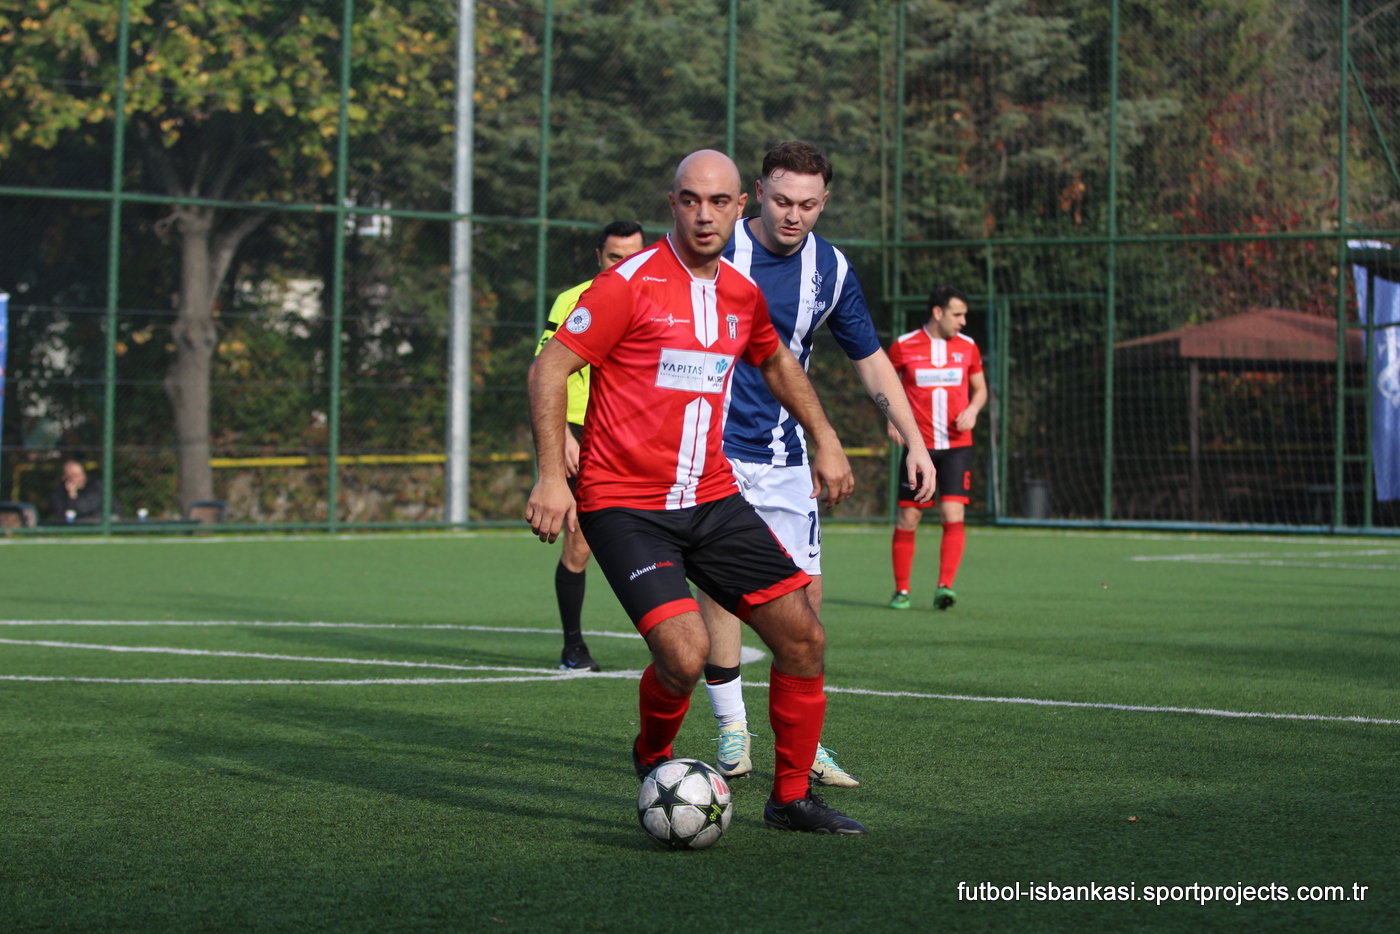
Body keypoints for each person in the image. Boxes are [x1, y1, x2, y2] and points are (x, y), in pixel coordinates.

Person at [527, 149, 868, 834]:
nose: (704, 215)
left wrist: (825, 435)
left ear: (740, 206)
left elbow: (775, 360)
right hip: (626, 504)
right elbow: (549, 369)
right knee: (683, 656)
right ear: (673, 204)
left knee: (803, 638)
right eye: (690, 200)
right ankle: (653, 758)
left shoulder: (742, 293)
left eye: (718, 202)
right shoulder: (628, 284)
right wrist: (551, 477)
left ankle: (790, 799)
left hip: (712, 499)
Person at [699, 141, 936, 786]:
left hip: (785, 457)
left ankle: (803, 745)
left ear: (824, 202)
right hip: (711, 452)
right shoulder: (713, 247)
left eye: (806, 204)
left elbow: (870, 358)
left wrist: (913, 438)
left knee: (805, 603)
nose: (792, 214)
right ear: (756, 194)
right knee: (722, 587)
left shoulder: (829, 269)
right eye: (781, 200)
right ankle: (732, 727)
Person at [535, 220, 646, 672]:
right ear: (598, 257)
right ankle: (574, 647)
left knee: (659, 534)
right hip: (583, 432)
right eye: (614, 257)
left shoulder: (662, 297)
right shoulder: (573, 300)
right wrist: (562, 434)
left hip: (639, 436)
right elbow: (546, 370)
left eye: (632, 256)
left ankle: (676, 634)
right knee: (580, 545)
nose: (623, 265)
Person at [887, 285, 988, 610]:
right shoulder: (904, 345)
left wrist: (973, 410)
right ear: (937, 312)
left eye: (964, 315)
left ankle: (945, 587)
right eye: (957, 314)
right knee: (909, 516)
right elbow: (885, 385)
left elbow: (981, 390)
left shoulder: (968, 347)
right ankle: (902, 591)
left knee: (952, 512)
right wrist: (892, 419)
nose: (963, 321)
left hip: (957, 446)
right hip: (919, 447)